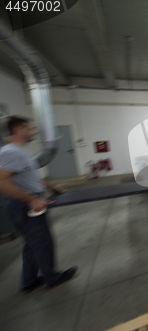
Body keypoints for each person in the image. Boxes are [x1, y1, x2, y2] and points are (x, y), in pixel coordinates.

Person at [0, 116, 76, 293]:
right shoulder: (11, 152)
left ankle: (29, 281)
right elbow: (2, 182)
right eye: (31, 128)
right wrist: (31, 199)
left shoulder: (22, 150)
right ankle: (53, 278)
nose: (34, 131)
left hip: (25, 201)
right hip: (23, 205)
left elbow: (30, 175)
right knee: (42, 242)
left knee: (32, 243)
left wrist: (50, 185)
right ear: (19, 130)